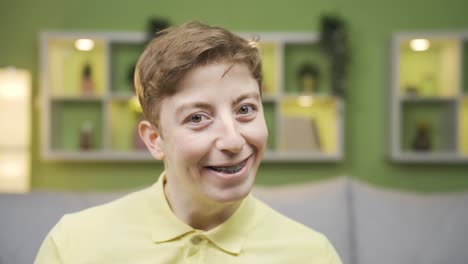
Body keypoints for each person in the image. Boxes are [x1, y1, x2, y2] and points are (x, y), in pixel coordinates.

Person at [35, 21, 342, 264]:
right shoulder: (73, 245)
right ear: (155, 140)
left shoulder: (313, 255)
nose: (233, 140)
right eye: (197, 118)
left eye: (245, 109)